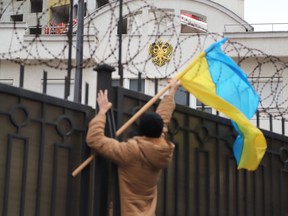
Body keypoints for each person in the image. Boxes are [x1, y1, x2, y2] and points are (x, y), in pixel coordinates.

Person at [86, 80, 180, 216]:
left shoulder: (131, 151)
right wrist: (171, 93)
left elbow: (94, 139)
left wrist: (102, 112)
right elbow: (163, 119)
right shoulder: (161, 149)